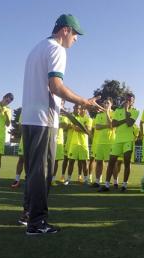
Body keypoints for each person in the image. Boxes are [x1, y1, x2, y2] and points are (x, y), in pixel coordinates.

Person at [20, 14, 101, 235]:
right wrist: (84, 102)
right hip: (44, 121)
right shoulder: (57, 49)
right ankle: (37, 223)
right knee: (43, 173)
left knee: (33, 171)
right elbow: (55, 86)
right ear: (65, 30)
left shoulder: (36, 48)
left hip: (29, 119)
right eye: (75, 34)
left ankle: (27, 214)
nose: (76, 39)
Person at [100, 93, 138, 192]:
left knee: (127, 162)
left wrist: (126, 110)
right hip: (117, 140)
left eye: (129, 100)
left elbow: (129, 124)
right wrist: (125, 119)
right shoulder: (117, 110)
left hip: (128, 140)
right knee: (111, 162)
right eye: (126, 99)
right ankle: (107, 185)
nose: (127, 101)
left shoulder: (135, 111)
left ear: (133, 102)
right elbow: (113, 124)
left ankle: (124, 185)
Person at [66, 105, 92, 185]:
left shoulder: (88, 119)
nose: (82, 110)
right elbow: (71, 126)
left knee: (84, 162)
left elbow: (87, 130)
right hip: (74, 143)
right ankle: (68, 179)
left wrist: (77, 127)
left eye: (84, 109)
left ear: (86, 110)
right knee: (71, 162)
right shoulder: (75, 118)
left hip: (83, 144)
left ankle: (86, 179)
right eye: (81, 109)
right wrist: (81, 127)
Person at [91, 98, 114, 188]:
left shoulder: (114, 113)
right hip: (100, 142)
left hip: (110, 142)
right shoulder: (99, 114)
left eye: (108, 103)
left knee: (110, 163)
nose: (106, 104)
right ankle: (97, 181)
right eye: (105, 103)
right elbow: (97, 127)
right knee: (99, 162)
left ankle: (109, 182)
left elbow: (111, 125)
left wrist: (107, 112)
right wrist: (106, 125)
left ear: (111, 104)